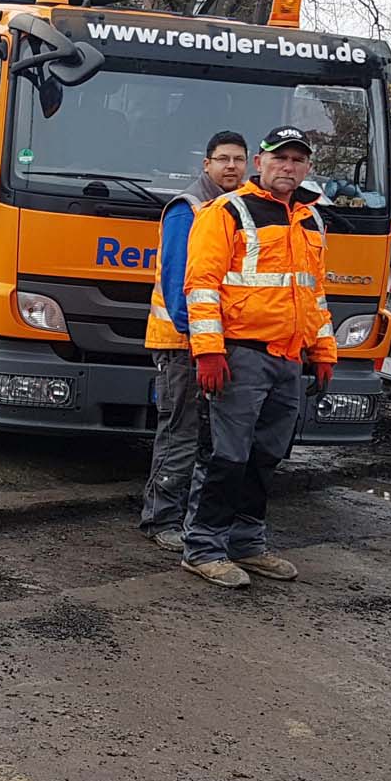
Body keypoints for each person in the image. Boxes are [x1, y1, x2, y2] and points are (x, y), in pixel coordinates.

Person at [178, 125, 336, 589]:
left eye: (297, 160)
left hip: (287, 360)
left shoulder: (310, 219)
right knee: (226, 456)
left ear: (307, 167)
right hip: (240, 357)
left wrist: (323, 350)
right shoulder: (225, 212)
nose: (288, 167)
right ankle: (203, 547)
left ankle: (247, 543)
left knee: (266, 456)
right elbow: (201, 285)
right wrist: (208, 351)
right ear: (259, 163)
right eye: (279, 158)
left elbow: (315, 295)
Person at [138, 131, 248, 552]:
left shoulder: (233, 209)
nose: (232, 167)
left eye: (238, 159)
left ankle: (185, 517)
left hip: (211, 343)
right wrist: (203, 339)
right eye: (223, 159)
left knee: (203, 437)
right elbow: (178, 285)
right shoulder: (190, 209)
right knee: (180, 432)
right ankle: (161, 519)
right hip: (182, 342)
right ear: (207, 165)